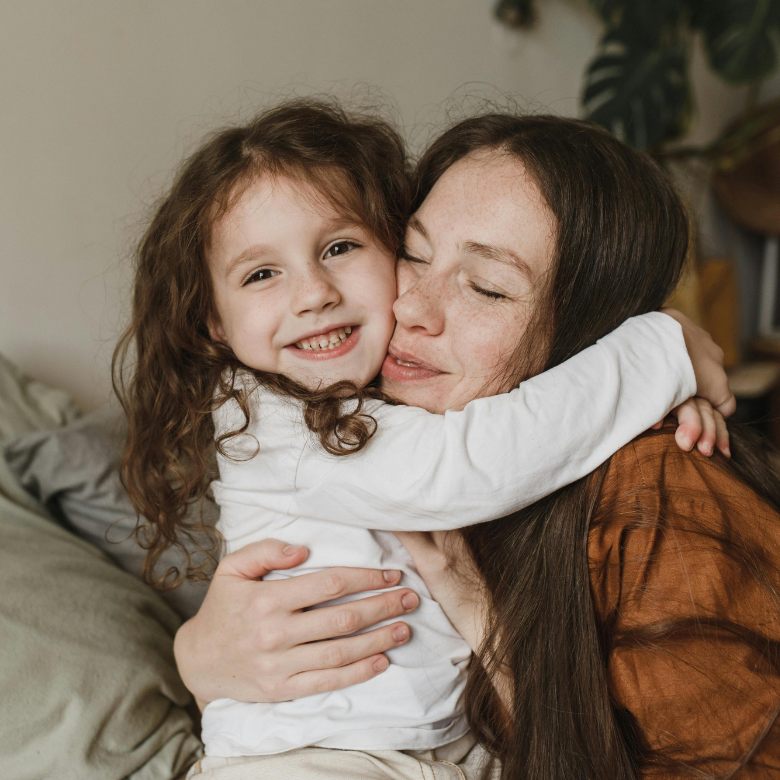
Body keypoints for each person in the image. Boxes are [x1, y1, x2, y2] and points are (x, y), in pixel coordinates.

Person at [114, 99, 730, 777]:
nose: (314, 293)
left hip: (438, 749)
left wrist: (652, 381)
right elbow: (464, 466)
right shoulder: (264, 415)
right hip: (309, 756)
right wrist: (656, 354)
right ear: (212, 322)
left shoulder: (385, 395)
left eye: (341, 248)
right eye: (261, 274)